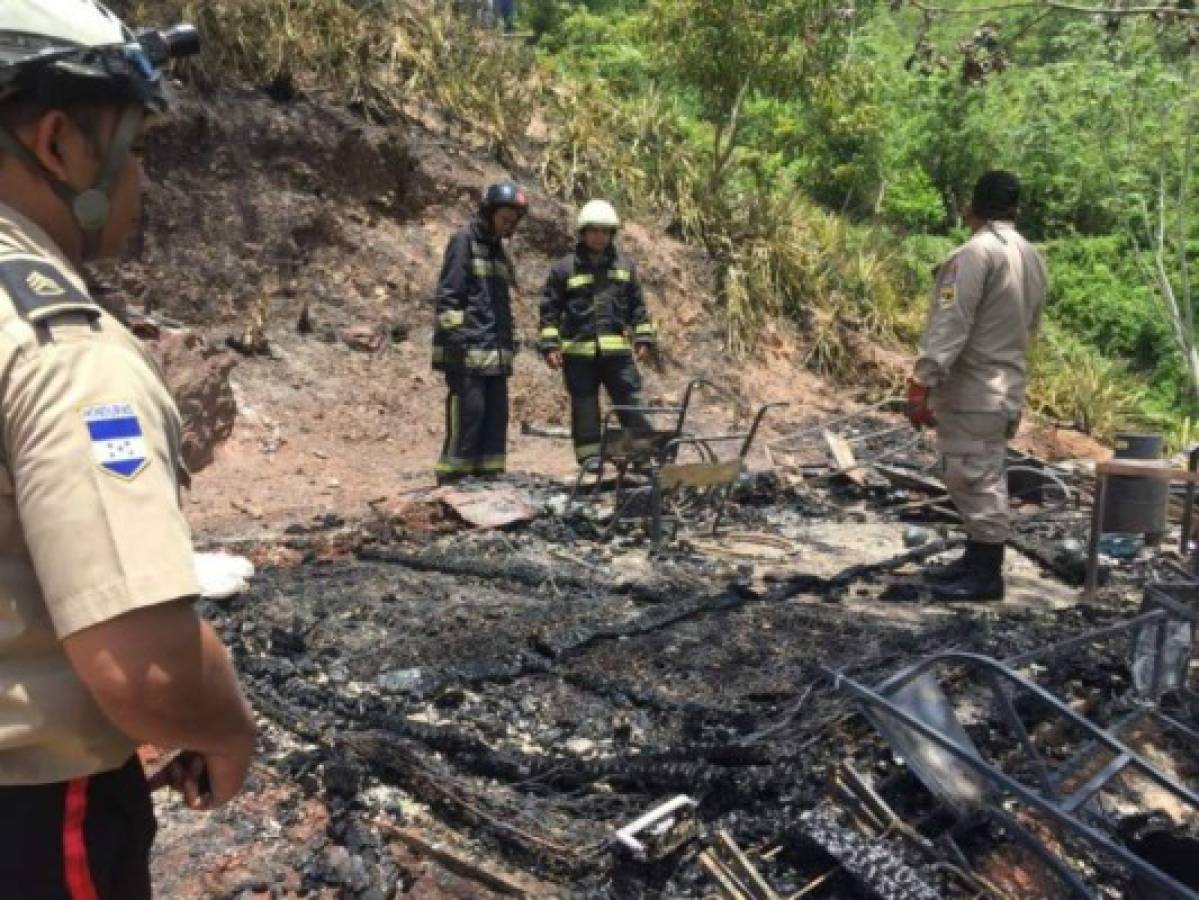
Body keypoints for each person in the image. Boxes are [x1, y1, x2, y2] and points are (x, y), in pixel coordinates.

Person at [0, 4, 256, 897]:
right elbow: (139, 667)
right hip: (31, 815)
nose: (142, 176)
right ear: (61, 141)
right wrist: (225, 730)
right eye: (135, 145)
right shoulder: (65, 353)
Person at [906, 170, 1048, 602]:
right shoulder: (1031, 256)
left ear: (971, 208)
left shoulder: (975, 254)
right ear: (1016, 210)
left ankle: (985, 576)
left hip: (975, 387)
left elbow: (953, 321)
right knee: (981, 472)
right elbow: (1031, 325)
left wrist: (923, 379)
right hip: (1006, 383)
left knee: (974, 477)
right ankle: (974, 561)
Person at [539, 199, 658, 466]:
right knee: (585, 406)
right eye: (594, 230)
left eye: (605, 231)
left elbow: (638, 307)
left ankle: (643, 456)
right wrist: (549, 346)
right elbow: (549, 311)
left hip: (617, 354)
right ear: (583, 232)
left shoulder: (625, 268)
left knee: (631, 401)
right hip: (578, 353)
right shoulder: (564, 269)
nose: (599, 236)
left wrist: (643, 338)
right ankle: (590, 458)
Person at [433, 181, 527, 483]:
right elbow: (450, 295)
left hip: (494, 353)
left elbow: (499, 303)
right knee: (470, 412)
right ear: (488, 213)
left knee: (496, 416)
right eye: (504, 219)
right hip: (467, 350)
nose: (507, 226)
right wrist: (457, 340)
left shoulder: (498, 252)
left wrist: (510, 339)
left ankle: (488, 476)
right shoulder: (463, 241)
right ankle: (453, 476)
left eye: (512, 222)